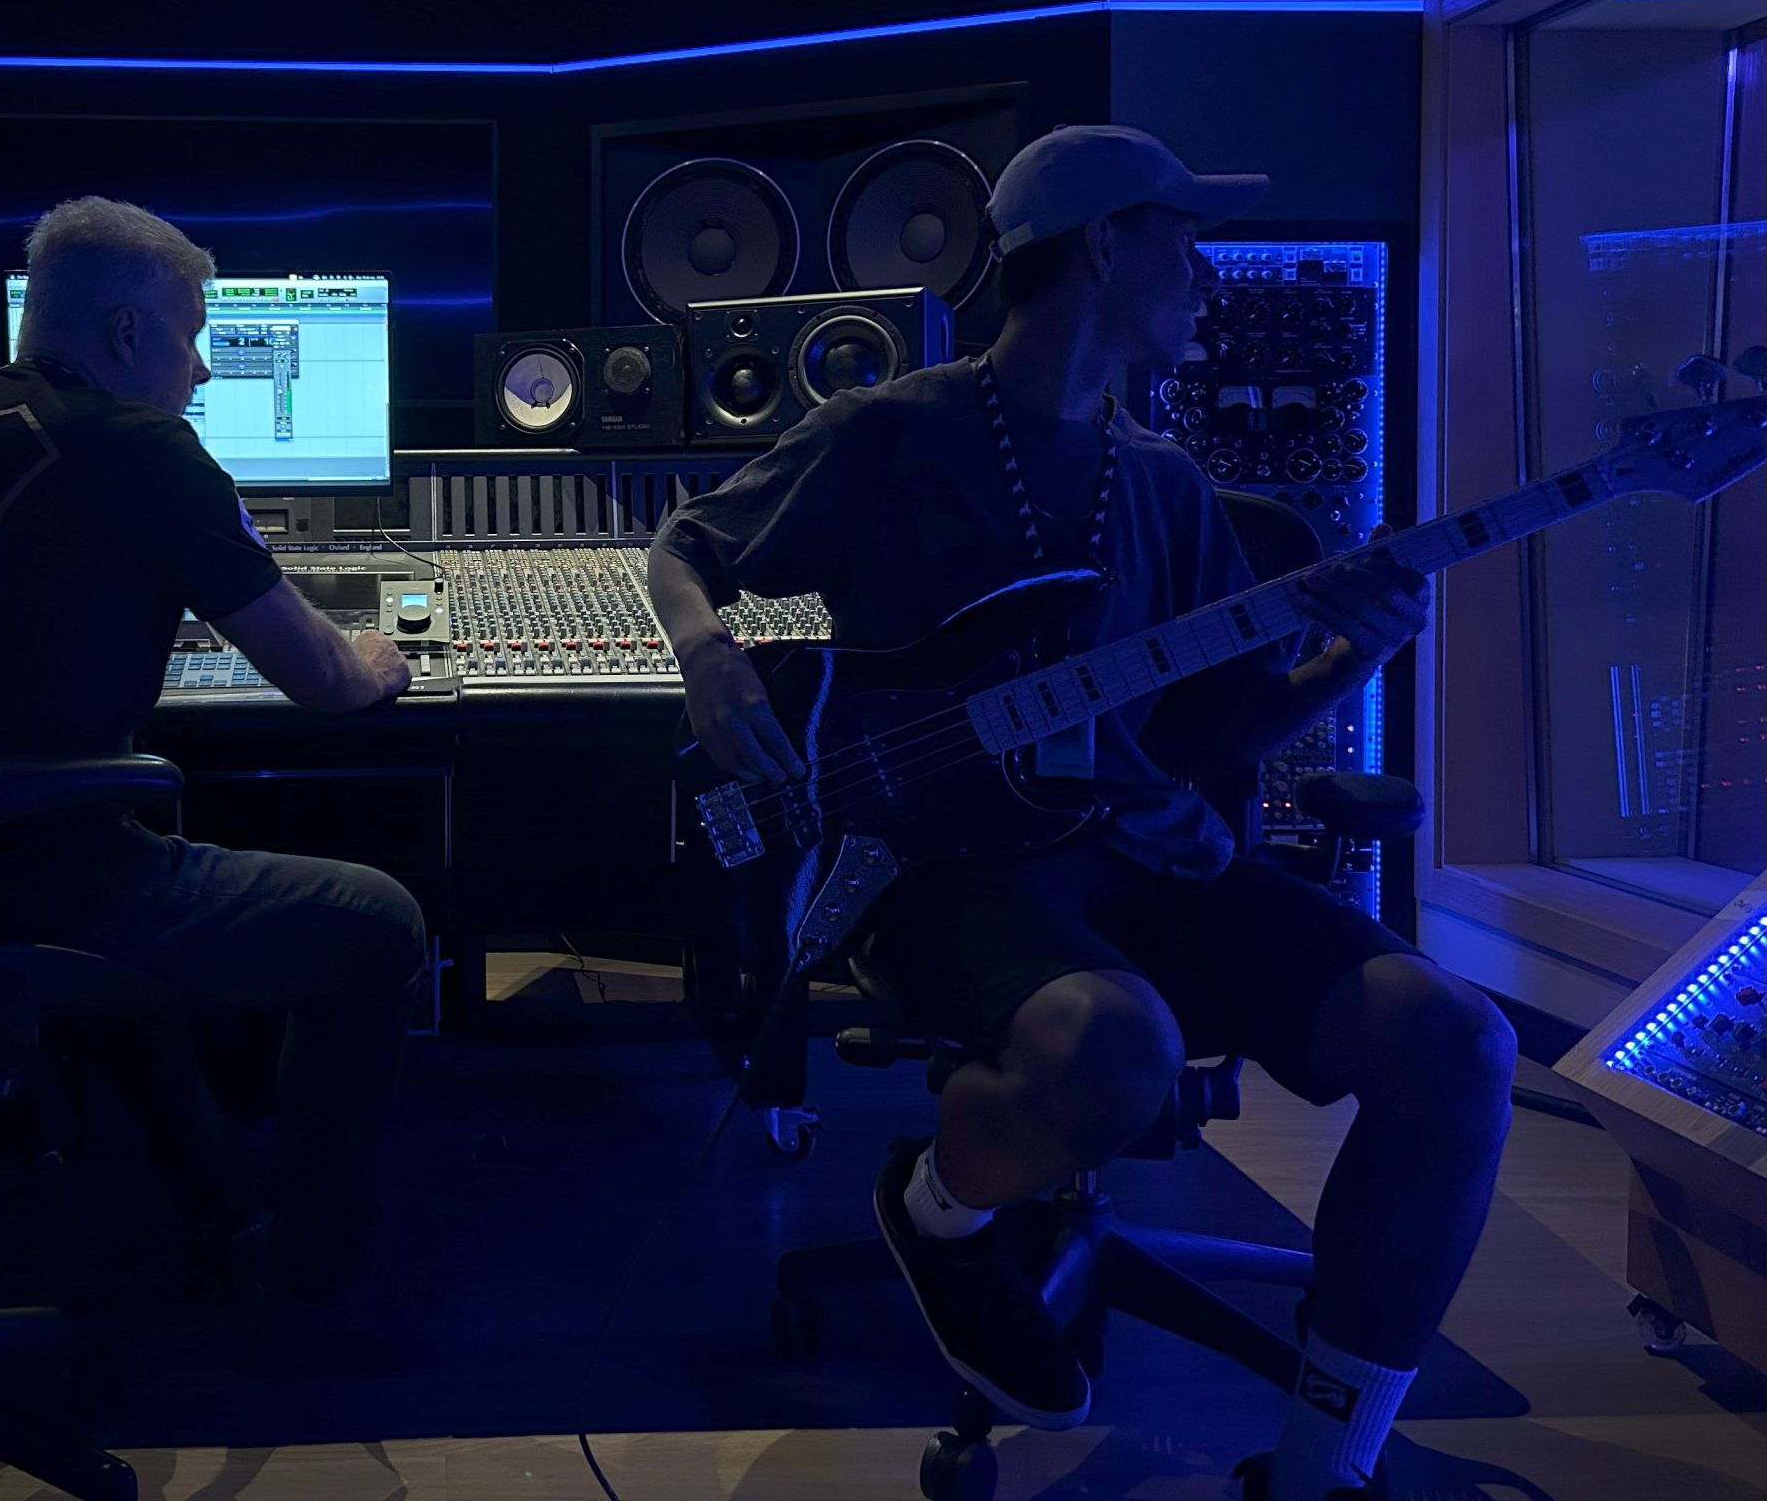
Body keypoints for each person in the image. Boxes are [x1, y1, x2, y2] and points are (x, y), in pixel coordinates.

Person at [649, 127, 1515, 1499]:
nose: (1208, 275)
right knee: (1118, 1047)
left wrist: (1357, 652)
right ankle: (937, 1211)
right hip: (934, 866)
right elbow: (684, 545)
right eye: (1186, 239)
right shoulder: (890, 433)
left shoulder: (1161, 481)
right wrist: (707, 657)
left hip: (1136, 855)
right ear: (1105, 244)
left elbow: (1214, 733)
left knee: (1457, 1043)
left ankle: (1320, 1468)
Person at [0, 195, 427, 1303]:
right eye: (190, 336)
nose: (201, 369)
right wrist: (381, 656)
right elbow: (326, 681)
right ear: (128, 331)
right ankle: (311, 1268)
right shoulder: (145, 450)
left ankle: (187, 1171)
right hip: (45, 886)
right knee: (377, 923)